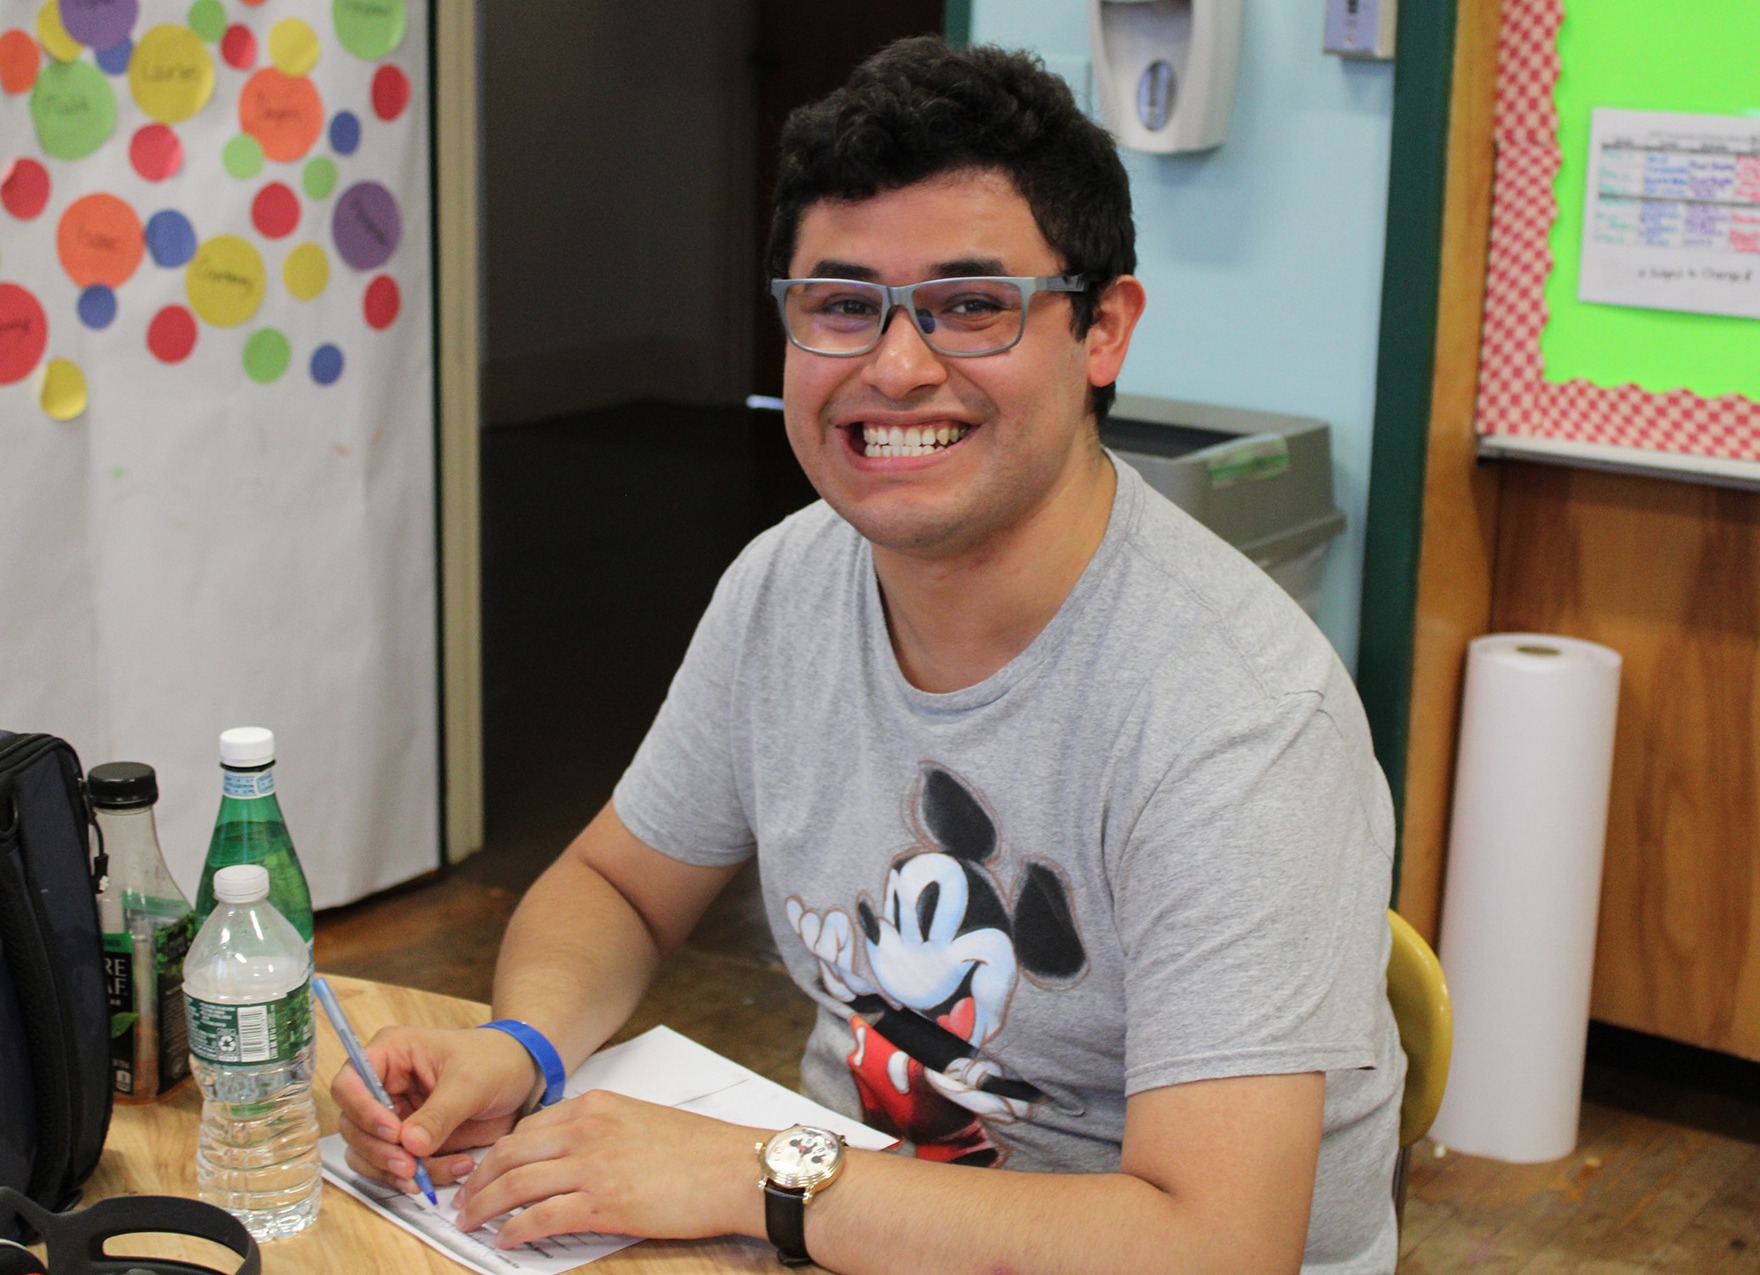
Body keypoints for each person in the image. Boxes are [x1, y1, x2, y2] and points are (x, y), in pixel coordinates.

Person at [335, 36, 1402, 1274]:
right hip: (847, 1217)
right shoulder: (787, 583)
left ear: (1101, 330)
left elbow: (1216, 1245)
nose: (896, 368)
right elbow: (619, 885)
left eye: (969, 305)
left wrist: (753, 1179)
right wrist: (522, 1047)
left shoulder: (1236, 715)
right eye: (842, 306)